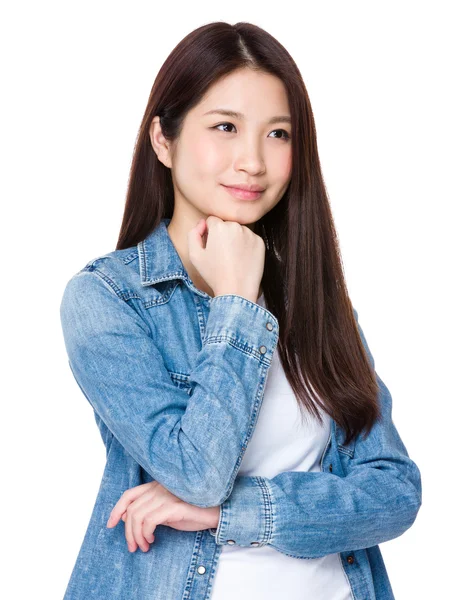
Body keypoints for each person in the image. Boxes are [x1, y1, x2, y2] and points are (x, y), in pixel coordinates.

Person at [59, 21, 422, 600]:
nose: (252, 160)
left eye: (278, 134)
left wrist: (231, 514)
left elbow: (395, 493)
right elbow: (197, 472)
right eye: (225, 127)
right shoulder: (109, 300)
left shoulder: (318, 304)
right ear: (163, 139)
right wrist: (236, 305)